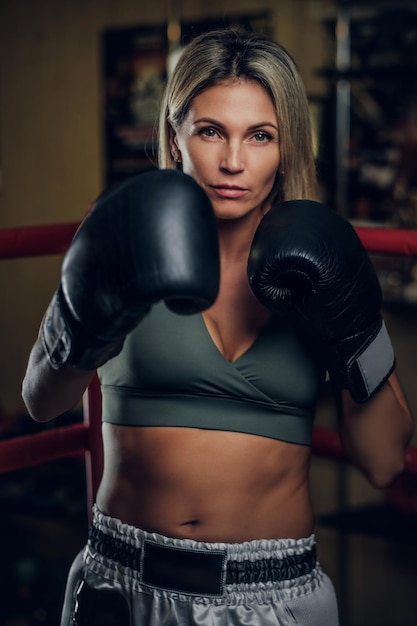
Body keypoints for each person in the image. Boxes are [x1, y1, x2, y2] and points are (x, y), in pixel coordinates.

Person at [22, 28, 413, 626]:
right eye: (211, 131)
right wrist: (83, 319)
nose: (233, 161)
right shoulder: (124, 235)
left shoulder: (320, 260)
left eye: (260, 136)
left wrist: (356, 328)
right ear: (175, 135)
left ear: (286, 148)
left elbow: (385, 462)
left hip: (276, 597)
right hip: (124, 583)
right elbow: (41, 401)